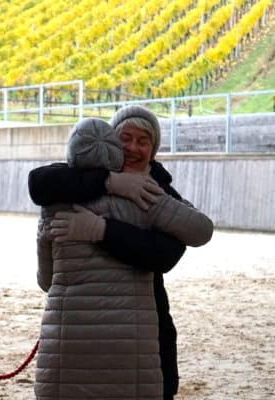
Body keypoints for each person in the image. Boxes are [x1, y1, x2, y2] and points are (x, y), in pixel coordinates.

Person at [29, 106, 214, 400]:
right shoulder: (74, 183)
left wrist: (101, 230)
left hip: (141, 320)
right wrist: (109, 181)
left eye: (143, 141)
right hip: (131, 336)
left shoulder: (153, 190)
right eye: (125, 138)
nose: (133, 147)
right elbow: (38, 181)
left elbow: (166, 254)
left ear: (154, 149)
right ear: (110, 141)